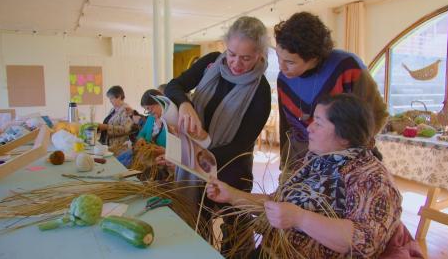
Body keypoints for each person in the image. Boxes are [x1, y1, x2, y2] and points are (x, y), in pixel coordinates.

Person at [207, 94, 405, 258]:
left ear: (345, 136)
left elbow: (364, 242)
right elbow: (277, 204)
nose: (309, 127)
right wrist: (231, 195)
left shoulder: (372, 178)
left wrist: (300, 218)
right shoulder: (316, 160)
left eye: (318, 123)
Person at [165, 16, 271, 252]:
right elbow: (174, 86)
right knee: (195, 224)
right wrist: (185, 104)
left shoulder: (260, 90)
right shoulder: (212, 63)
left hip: (231, 168)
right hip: (196, 162)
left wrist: (198, 155)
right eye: (232, 53)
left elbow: (242, 144)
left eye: (246, 58)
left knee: (234, 234)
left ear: (260, 55)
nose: (236, 63)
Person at [274, 12, 388, 171]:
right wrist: (284, 164)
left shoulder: (347, 67)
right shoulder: (284, 79)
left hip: (342, 164)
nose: (281, 66)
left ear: (313, 57)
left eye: (290, 62)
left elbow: (376, 115)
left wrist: (343, 151)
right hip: (299, 162)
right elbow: (286, 127)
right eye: (278, 57)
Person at [117, 89, 167, 168]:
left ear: (159, 102)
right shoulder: (151, 118)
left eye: (150, 108)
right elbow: (142, 133)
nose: (150, 112)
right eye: (147, 110)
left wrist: (164, 151)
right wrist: (140, 139)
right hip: (146, 156)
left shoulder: (171, 121)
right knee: (120, 162)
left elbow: (177, 151)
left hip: (160, 161)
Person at [97, 85, 133, 155]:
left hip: (118, 147)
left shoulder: (126, 110)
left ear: (119, 97)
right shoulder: (113, 109)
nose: (110, 101)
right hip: (110, 144)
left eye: (111, 98)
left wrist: (106, 127)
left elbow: (126, 129)